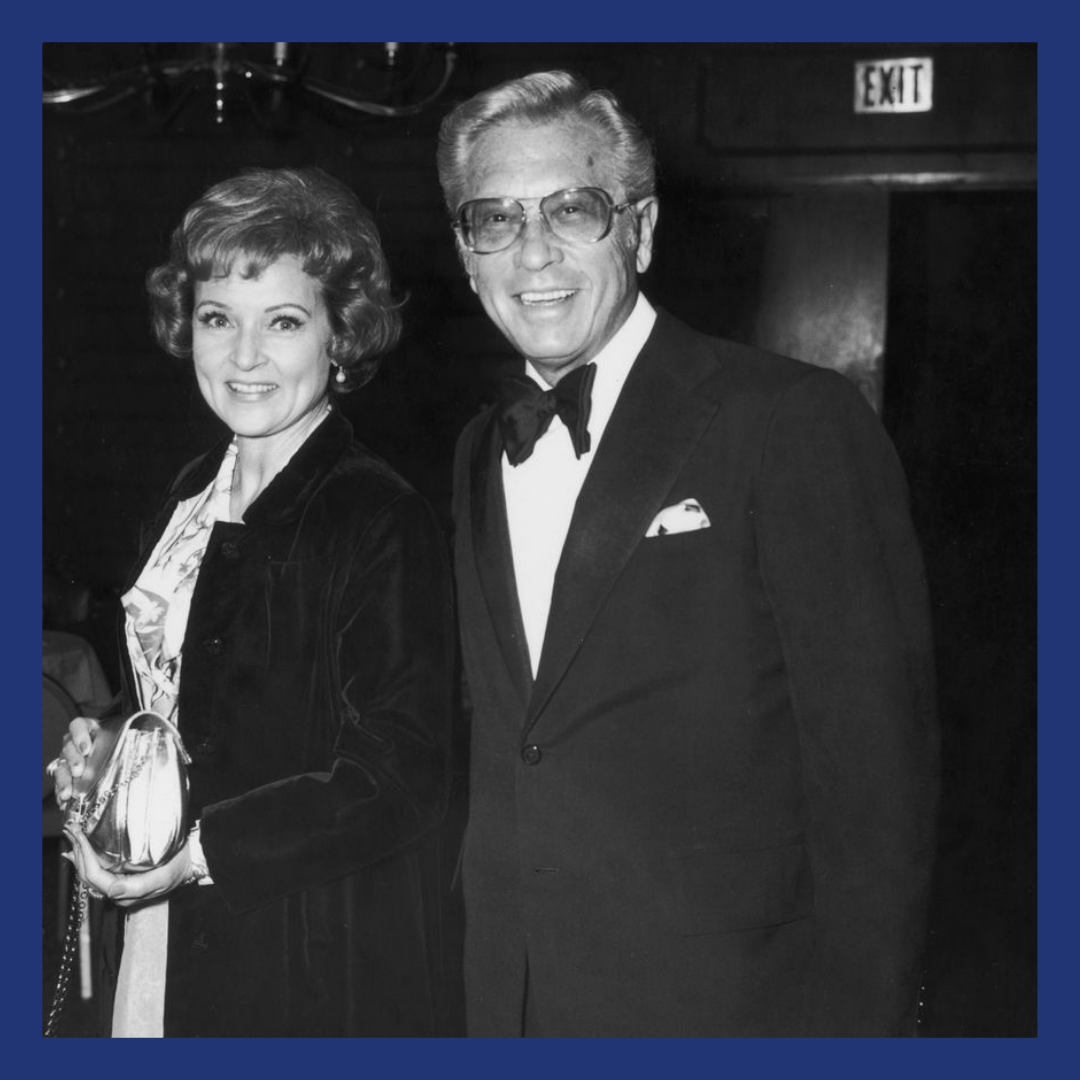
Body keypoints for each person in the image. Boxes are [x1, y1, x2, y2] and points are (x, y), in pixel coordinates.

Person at [437, 70, 939, 1037]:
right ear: (466, 255)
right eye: (494, 219)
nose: (532, 251)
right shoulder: (474, 452)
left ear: (642, 228)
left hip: (727, 1011)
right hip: (511, 1003)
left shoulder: (790, 421)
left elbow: (879, 787)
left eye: (573, 209)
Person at [50, 167, 456, 1037]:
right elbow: (194, 695)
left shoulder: (377, 512)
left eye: (282, 322)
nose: (243, 358)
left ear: (339, 338)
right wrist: (113, 739)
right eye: (217, 319)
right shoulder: (191, 492)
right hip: (165, 923)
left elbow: (401, 772)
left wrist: (200, 855)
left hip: (299, 950)